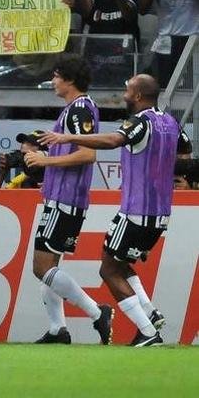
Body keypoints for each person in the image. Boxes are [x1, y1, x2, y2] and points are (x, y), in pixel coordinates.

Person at [39, 74, 180, 347]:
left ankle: (147, 332)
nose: (124, 94)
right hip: (161, 210)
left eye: (128, 89)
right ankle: (150, 313)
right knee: (119, 262)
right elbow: (184, 149)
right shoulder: (170, 122)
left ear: (138, 96)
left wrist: (68, 136)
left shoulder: (140, 121)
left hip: (137, 210)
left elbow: (113, 141)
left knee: (109, 270)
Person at [21, 54, 113, 344]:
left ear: (70, 80)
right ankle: (57, 329)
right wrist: (47, 157)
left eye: (57, 75)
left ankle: (97, 312)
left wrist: (45, 162)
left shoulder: (80, 109)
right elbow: (73, 150)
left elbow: (87, 154)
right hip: (63, 196)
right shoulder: (76, 109)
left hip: (66, 198)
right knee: (50, 266)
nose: (53, 81)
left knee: (41, 267)